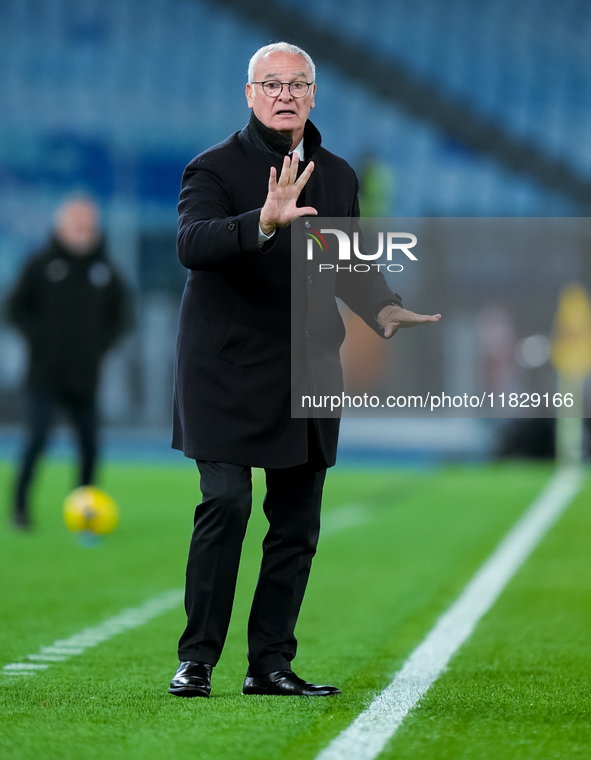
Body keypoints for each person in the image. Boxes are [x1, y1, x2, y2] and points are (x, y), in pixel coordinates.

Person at [169, 42, 440, 698]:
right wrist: (260, 222)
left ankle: (269, 665)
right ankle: (197, 659)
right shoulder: (212, 168)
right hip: (226, 370)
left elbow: (343, 262)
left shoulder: (337, 176)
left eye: (297, 84)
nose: (284, 94)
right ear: (249, 94)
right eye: (271, 84)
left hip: (308, 367)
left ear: (314, 95)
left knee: (295, 524)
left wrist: (382, 308)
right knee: (226, 503)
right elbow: (191, 244)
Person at [6, 196, 131, 529]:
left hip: (85, 377)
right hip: (43, 374)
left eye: (88, 221)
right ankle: (19, 508)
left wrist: (99, 346)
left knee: (89, 445)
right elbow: (15, 308)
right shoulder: (40, 264)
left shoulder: (105, 270)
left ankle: (85, 508)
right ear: (61, 225)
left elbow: (122, 316)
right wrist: (39, 339)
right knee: (36, 440)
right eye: (76, 221)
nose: (83, 228)